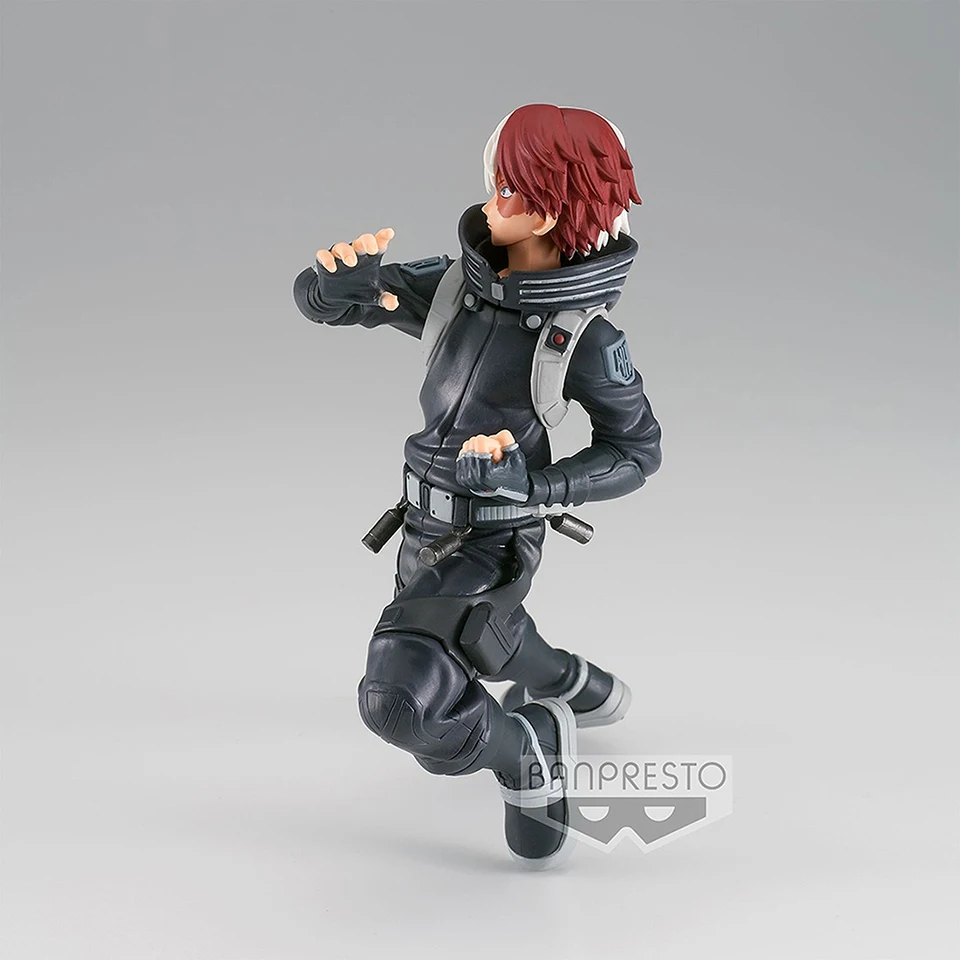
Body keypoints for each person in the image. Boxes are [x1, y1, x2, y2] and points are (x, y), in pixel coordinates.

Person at [292, 103, 662, 869]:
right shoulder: (458, 287)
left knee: (399, 700)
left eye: (510, 188)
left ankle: (526, 751)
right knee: (479, 648)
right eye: (496, 181)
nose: (492, 200)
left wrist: (532, 483)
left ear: (553, 208)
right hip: (419, 526)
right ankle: (572, 684)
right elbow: (343, 302)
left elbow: (636, 450)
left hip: (492, 536)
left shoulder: (583, 339)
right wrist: (333, 287)